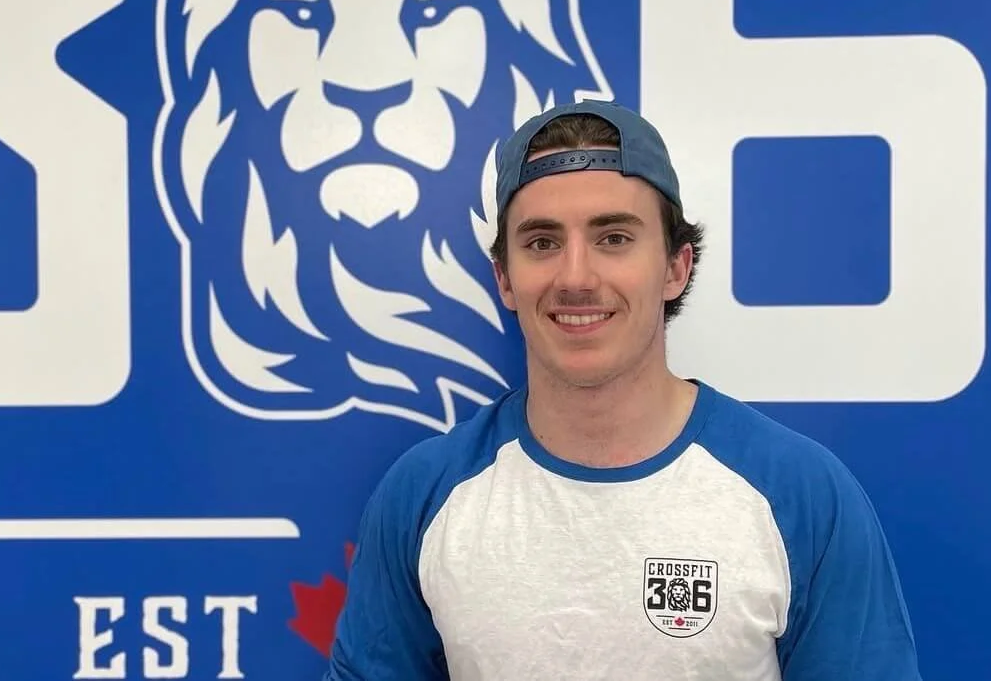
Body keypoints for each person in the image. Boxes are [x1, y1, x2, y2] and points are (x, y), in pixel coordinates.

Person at [323, 99, 921, 681]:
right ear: (504, 278)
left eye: (613, 238)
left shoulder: (802, 494)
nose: (576, 277)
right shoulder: (424, 495)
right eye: (542, 242)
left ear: (675, 268)